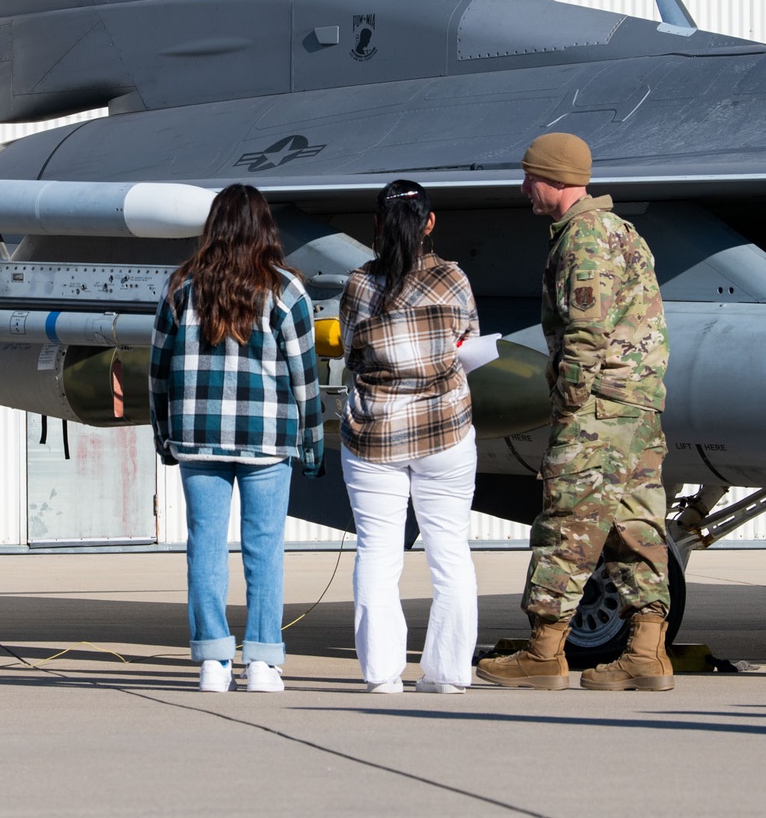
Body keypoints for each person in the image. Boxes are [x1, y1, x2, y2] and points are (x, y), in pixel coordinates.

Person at [477, 132, 674, 692]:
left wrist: (567, 406)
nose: (523, 188)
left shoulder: (584, 239)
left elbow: (585, 334)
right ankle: (646, 652)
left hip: (598, 409)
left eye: (528, 177)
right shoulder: (618, 232)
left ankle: (543, 653)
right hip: (635, 408)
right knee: (634, 525)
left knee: (566, 521)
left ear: (553, 179)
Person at [149, 183, 324, 694]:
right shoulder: (287, 292)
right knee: (264, 548)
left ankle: (212, 661)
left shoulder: (181, 289)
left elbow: (157, 371)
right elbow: (304, 377)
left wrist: (165, 435)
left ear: (214, 227)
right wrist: (311, 442)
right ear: (265, 229)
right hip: (267, 439)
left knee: (205, 545)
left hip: (197, 437)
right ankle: (264, 662)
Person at [340, 179, 480, 695]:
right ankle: (448, 674)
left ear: (377, 225)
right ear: (430, 222)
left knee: (378, 553)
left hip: (374, 435)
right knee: (450, 551)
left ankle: (382, 675)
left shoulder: (360, 283)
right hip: (445, 430)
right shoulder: (454, 279)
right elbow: (467, 341)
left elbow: (353, 354)